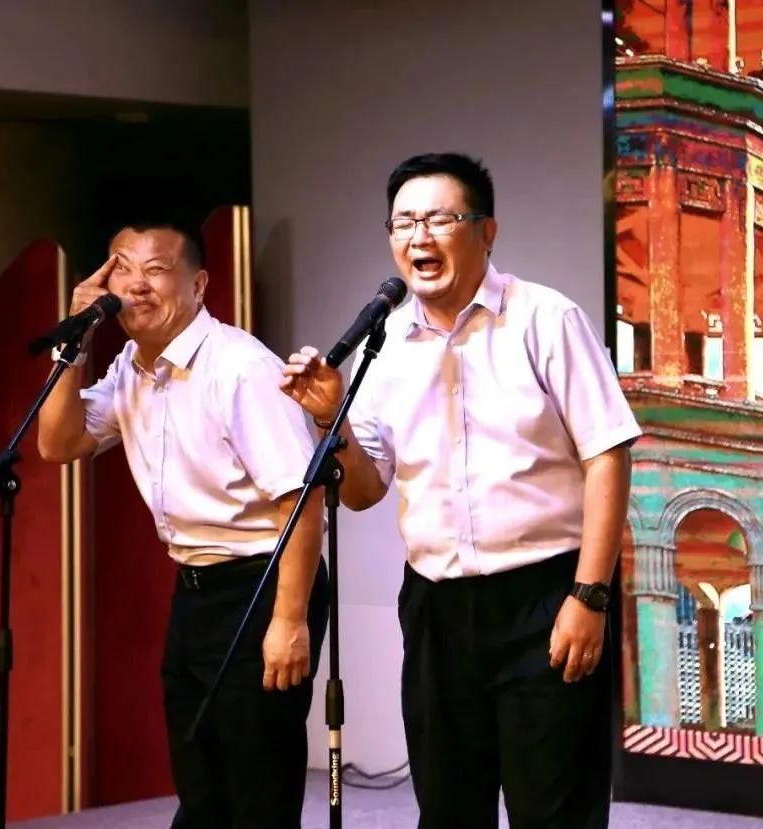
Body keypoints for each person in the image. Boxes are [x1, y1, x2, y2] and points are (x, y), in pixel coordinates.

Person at [280, 152, 641, 829]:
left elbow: (608, 453)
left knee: (554, 808)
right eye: (403, 223)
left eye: (439, 219)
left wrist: (589, 595)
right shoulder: (386, 342)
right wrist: (332, 419)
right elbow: (362, 490)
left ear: (486, 231)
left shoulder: (544, 318)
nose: (418, 237)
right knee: (447, 808)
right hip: (436, 607)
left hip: (545, 594)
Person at [38, 221, 328, 829]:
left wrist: (289, 622)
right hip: (196, 587)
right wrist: (74, 346)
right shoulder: (131, 364)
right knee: (200, 782)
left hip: (261, 582)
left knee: (257, 786)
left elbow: (302, 501)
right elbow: (58, 443)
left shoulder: (240, 367)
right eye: (122, 267)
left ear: (198, 284)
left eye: (156, 269)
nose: (135, 285)